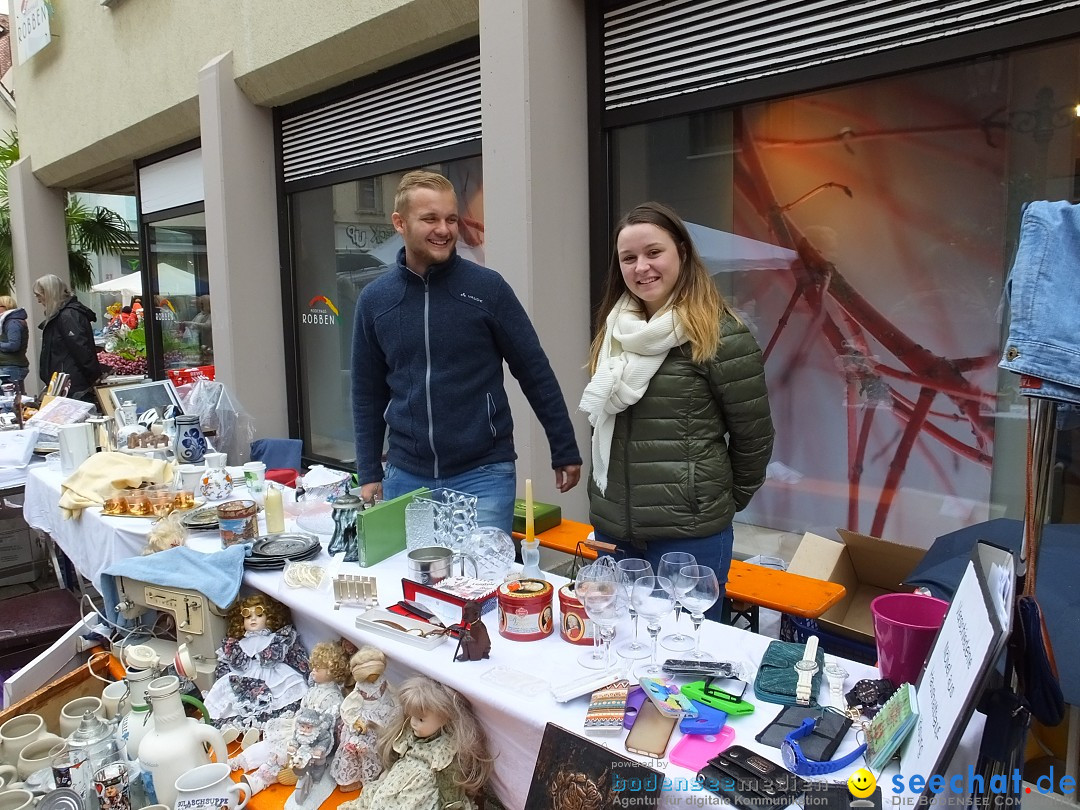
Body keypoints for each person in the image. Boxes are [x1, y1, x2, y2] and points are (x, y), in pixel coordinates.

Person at [352, 170, 582, 533]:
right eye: (430, 218)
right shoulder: (375, 300)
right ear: (400, 222)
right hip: (406, 475)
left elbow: (534, 369)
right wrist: (368, 470)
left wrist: (564, 446)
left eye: (451, 218)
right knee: (417, 585)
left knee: (483, 584)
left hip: (484, 474)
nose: (444, 229)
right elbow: (367, 392)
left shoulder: (487, 289)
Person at [578, 202, 774, 620]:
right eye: (628, 258)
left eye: (654, 252)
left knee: (683, 662)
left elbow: (753, 439)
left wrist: (713, 502)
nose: (641, 267)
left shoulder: (721, 336)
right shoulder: (616, 332)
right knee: (620, 648)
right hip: (616, 527)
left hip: (689, 537)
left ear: (681, 252)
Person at [338, 675, 492, 810]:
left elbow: (448, 786)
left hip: (419, 793)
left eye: (420, 719)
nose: (413, 723)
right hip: (397, 782)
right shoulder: (410, 732)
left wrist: (452, 804)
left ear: (445, 717)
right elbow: (398, 756)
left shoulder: (445, 750)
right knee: (378, 800)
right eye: (411, 716)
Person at [203, 593, 310, 733]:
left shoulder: (277, 639)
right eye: (247, 616)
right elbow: (224, 665)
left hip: (272, 675)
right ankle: (236, 729)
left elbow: (296, 657)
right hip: (244, 677)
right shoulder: (236, 644)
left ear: (269, 617)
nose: (253, 619)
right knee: (234, 701)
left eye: (259, 615)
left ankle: (262, 728)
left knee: (279, 698)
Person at [33, 274, 102, 402]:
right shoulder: (65, 315)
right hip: (67, 384)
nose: (38, 300)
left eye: (39, 295)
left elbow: (81, 350)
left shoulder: (67, 316)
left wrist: (93, 377)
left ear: (49, 293)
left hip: (71, 386)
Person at [0, 295, 30, 384]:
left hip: (11, 368)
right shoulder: (7, 321)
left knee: (11, 396)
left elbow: (14, 345)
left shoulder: (13, 322)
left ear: (6, 307)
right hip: (10, 366)